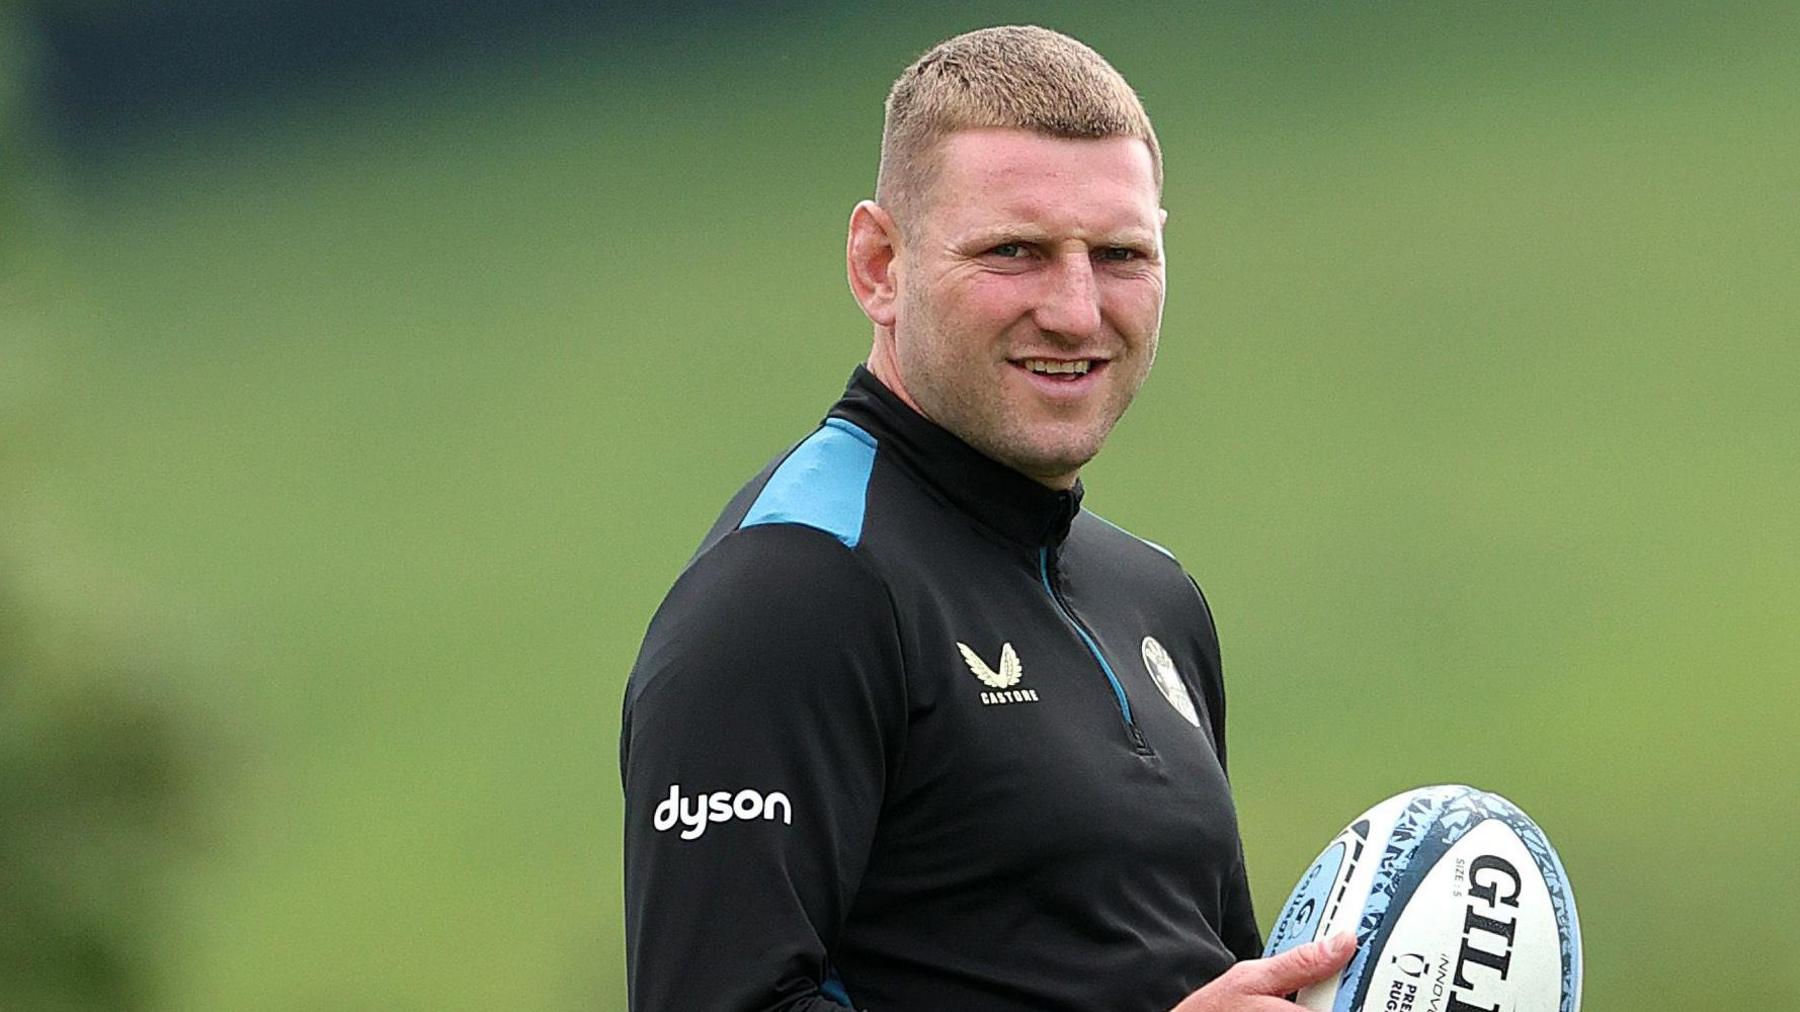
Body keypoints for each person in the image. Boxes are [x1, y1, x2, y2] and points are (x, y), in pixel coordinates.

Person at [620, 25, 1352, 1012]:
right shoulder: (796, 589)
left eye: (1122, 253)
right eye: (1017, 251)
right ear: (879, 264)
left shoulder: (1155, 598)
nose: (1077, 309)